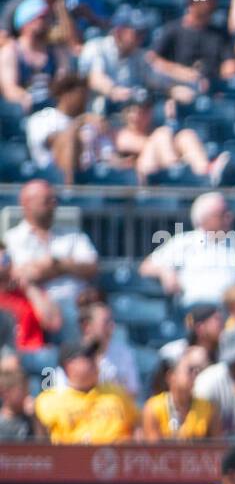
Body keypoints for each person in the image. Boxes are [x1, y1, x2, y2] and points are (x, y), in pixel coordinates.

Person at [3, 179, 99, 339]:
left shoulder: (73, 235)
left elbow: (92, 267)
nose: (53, 204)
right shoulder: (11, 239)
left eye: (54, 200)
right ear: (26, 203)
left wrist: (57, 264)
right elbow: (19, 275)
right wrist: (66, 267)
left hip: (78, 303)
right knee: (68, 317)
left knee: (102, 317)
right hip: (38, 308)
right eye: (46, 201)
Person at [139, 191, 235, 306]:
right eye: (222, 214)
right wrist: (165, 272)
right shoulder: (184, 242)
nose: (229, 217)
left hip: (229, 311)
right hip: (194, 310)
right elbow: (146, 267)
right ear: (205, 218)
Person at [33, 338, 138, 444]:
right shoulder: (48, 401)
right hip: (71, 457)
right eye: (88, 356)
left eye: (95, 355)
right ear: (69, 365)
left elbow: (139, 426)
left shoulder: (117, 393)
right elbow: (41, 445)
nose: (95, 360)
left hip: (117, 456)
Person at [0, 0, 72, 114]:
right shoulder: (11, 51)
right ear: (26, 21)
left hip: (52, 108)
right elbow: (9, 89)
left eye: (47, 18)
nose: (45, 22)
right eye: (41, 18)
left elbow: (62, 79)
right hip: (24, 112)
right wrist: (27, 98)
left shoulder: (55, 51)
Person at [140, 345, 220, 440]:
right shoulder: (153, 408)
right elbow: (153, 451)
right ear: (171, 376)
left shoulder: (207, 408)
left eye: (196, 370)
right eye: (190, 370)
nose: (195, 375)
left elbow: (217, 448)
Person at [0, 239, 61, 351]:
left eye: (6, 258)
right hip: (5, 354)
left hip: (31, 352)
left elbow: (54, 323)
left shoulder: (25, 290)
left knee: (50, 357)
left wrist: (29, 287)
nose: (4, 263)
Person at [0, 366, 43, 440]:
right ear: (5, 393)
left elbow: (42, 444)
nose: (27, 394)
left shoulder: (30, 418)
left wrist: (35, 418)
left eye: (27, 389)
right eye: (22, 390)